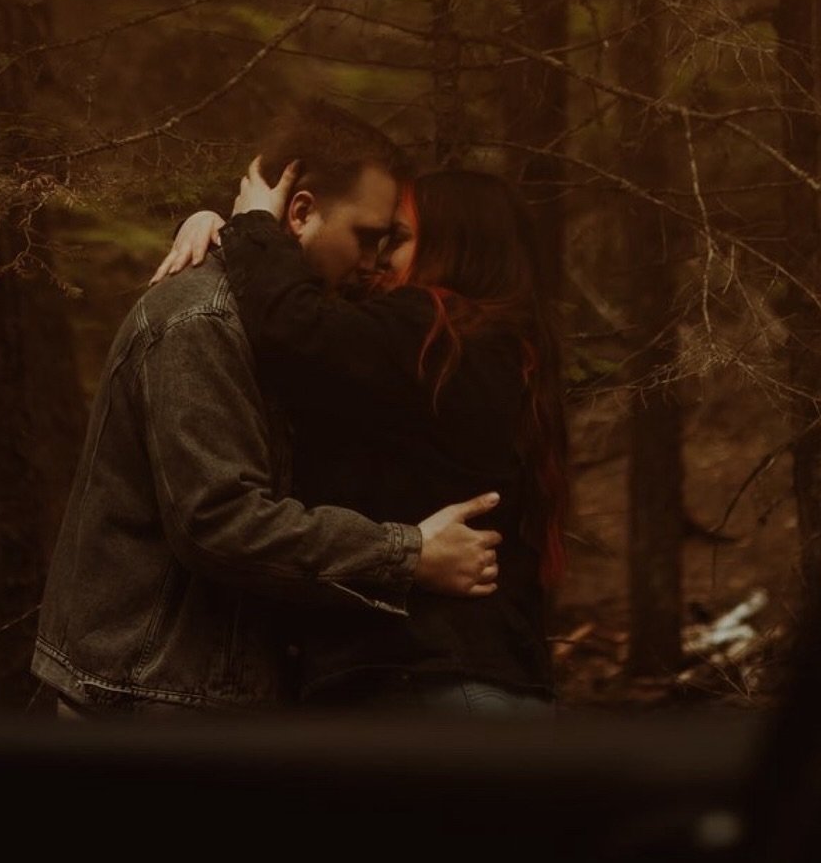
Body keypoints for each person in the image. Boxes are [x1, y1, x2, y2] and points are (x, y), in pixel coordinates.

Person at [31, 99, 506, 714]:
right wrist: (407, 553)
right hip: (148, 699)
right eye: (365, 238)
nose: (372, 264)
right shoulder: (201, 320)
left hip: (198, 693)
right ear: (301, 211)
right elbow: (220, 521)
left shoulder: (279, 324)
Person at [159, 156, 568, 715]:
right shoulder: (489, 348)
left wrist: (249, 225)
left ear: (455, 247)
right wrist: (212, 223)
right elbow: (318, 316)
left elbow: (293, 326)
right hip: (482, 682)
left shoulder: (432, 328)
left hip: (426, 684)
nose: (377, 261)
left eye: (395, 239)